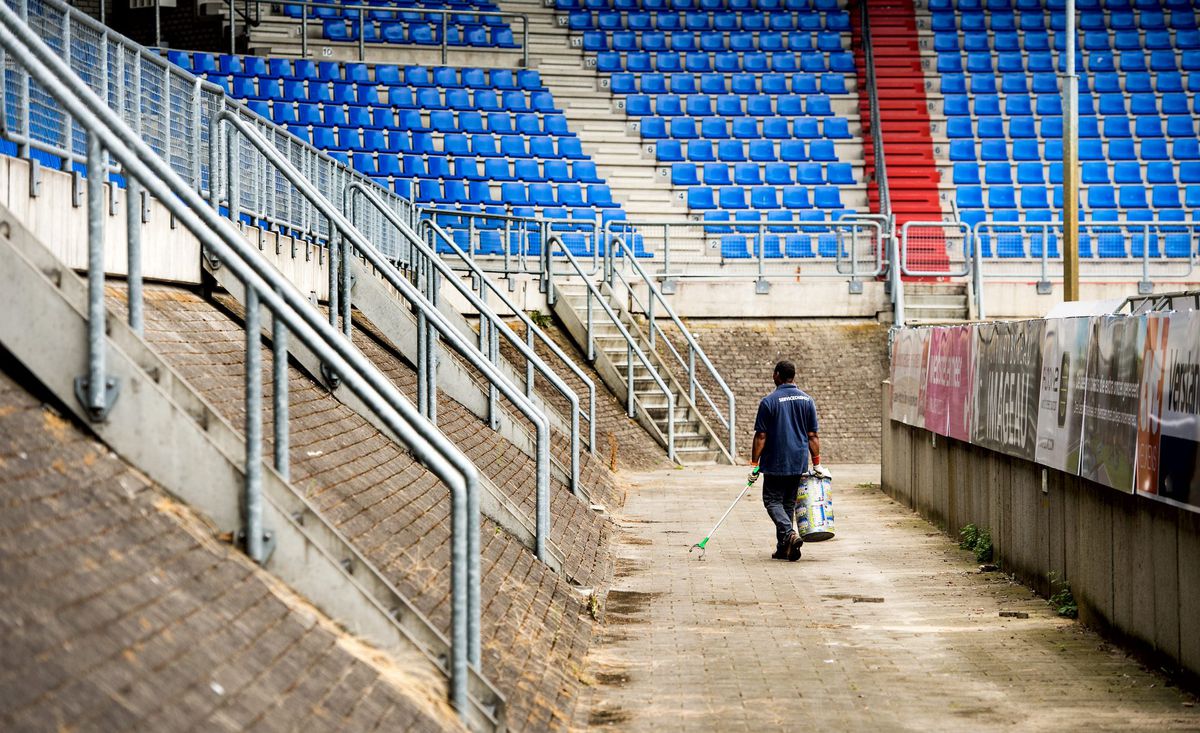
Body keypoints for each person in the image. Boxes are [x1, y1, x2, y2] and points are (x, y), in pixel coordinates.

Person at [748, 360, 822, 561]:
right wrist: (816, 463)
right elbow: (812, 435)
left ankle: (789, 534)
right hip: (798, 461)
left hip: (775, 462)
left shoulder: (769, 401)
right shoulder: (808, 401)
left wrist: (754, 464)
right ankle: (784, 548)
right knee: (788, 503)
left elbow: (761, 436)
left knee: (772, 501)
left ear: (777, 375)